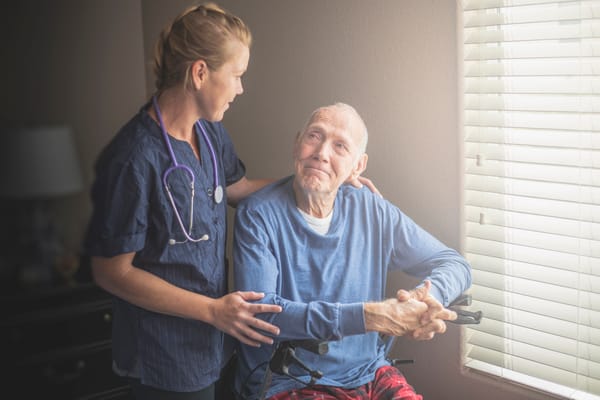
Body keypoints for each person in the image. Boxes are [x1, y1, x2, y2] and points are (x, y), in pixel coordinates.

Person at [83, 4, 377, 399]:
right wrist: (211, 310)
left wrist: (324, 179)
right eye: (236, 75)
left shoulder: (208, 133)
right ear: (200, 72)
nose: (241, 88)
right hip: (162, 354)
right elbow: (110, 272)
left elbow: (237, 189)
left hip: (214, 343)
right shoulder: (135, 157)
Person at [232, 102, 472, 400]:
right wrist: (371, 317)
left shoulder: (372, 211)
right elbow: (261, 316)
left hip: (369, 371)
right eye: (314, 136)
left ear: (358, 166)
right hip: (290, 380)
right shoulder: (258, 216)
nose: (322, 152)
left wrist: (427, 298)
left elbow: (453, 264)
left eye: (340, 146)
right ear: (297, 144)